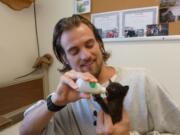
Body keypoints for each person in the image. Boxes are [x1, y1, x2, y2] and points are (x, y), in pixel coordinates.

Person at [19, 15, 180, 135]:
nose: (86, 55)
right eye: (74, 51)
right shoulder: (66, 96)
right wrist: (55, 102)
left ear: (99, 43)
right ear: (63, 57)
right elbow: (25, 131)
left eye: (89, 44)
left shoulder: (143, 81)